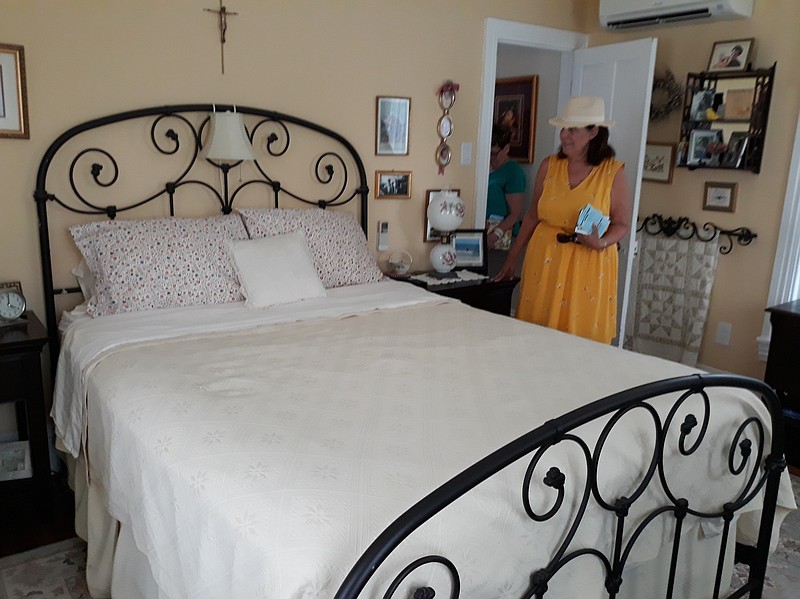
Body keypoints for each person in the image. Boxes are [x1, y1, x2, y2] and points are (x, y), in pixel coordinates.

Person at [494, 96, 630, 344]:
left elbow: (621, 223)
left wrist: (601, 242)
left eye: (573, 130)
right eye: (563, 129)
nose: (564, 136)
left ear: (593, 132)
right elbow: (533, 214)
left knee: (581, 339)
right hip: (545, 259)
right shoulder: (550, 166)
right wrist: (512, 256)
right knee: (537, 335)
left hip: (588, 263)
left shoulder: (612, 172)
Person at [487, 124, 526, 251]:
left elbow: (515, 214)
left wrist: (495, 235)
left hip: (500, 237)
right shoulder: (481, 167)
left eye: (493, 153)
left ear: (506, 149)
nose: (489, 158)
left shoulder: (513, 172)